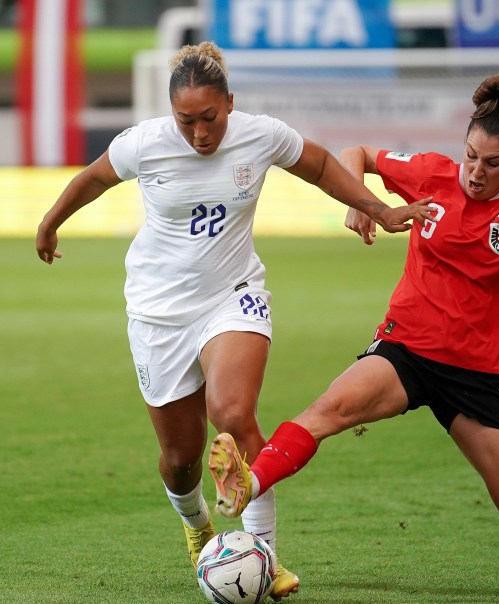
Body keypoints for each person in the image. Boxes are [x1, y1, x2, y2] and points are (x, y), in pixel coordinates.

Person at [35, 41, 433, 600]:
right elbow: (93, 179)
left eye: (210, 118)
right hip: (158, 312)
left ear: (230, 103)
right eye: (186, 121)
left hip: (233, 293)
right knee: (181, 458)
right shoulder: (145, 143)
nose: (199, 133)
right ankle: (198, 528)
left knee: (233, 414)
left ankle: (264, 557)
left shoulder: (260, 134)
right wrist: (51, 222)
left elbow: (318, 164)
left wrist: (378, 208)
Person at [208, 75, 499, 588]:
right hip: (405, 349)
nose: (476, 172)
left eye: (492, 163)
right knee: (327, 411)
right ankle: (248, 483)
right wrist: (361, 203)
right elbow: (357, 152)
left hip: (474, 377)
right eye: (471, 156)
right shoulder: (431, 174)